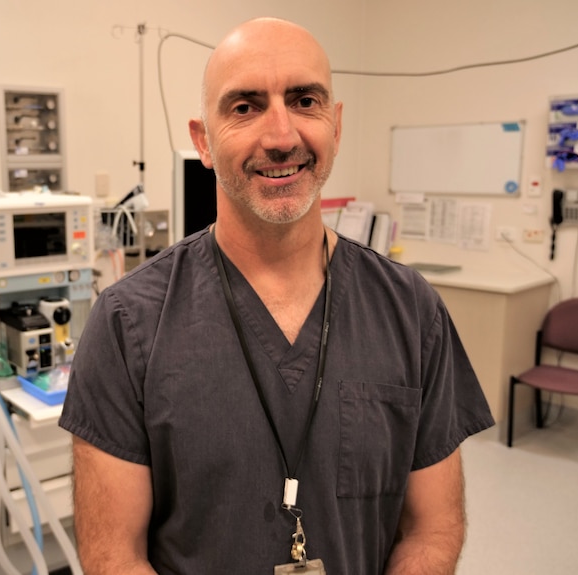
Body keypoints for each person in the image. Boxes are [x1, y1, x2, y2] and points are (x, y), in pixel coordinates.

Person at [59, 16, 494, 574]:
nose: (282, 136)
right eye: (245, 107)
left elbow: (435, 529)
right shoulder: (127, 324)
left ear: (334, 125)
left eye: (304, 100)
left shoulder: (410, 310)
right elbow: (112, 556)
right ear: (203, 142)